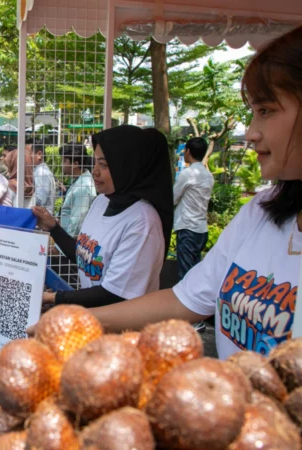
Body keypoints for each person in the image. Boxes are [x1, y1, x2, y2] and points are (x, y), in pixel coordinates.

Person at [84, 25, 302, 361]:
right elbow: (185, 298)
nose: (251, 132)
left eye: (266, 111)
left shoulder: (144, 217)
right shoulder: (261, 211)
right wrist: (78, 322)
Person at [33, 126, 172, 307]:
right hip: (94, 323)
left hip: (122, 330)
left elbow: (114, 294)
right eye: (96, 162)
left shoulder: (142, 222)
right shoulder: (102, 202)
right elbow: (85, 256)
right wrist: (54, 228)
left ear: (127, 168)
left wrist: (55, 298)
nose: (95, 171)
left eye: (104, 165)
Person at [173, 137, 215, 280]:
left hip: (187, 229)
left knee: (185, 275)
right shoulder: (208, 175)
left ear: (188, 151)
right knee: (194, 273)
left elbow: (173, 197)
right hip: (201, 230)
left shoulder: (188, 174)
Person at [59, 144, 97, 237]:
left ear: (75, 164)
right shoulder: (78, 181)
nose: (62, 164)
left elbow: (77, 223)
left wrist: (64, 245)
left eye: (64, 161)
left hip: (71, 245)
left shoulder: (83, 187)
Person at [32, 141, 56, 214]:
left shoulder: (41, 173)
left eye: (27, 154)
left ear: (39, 154)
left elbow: (40, 202)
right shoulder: (38, 171)